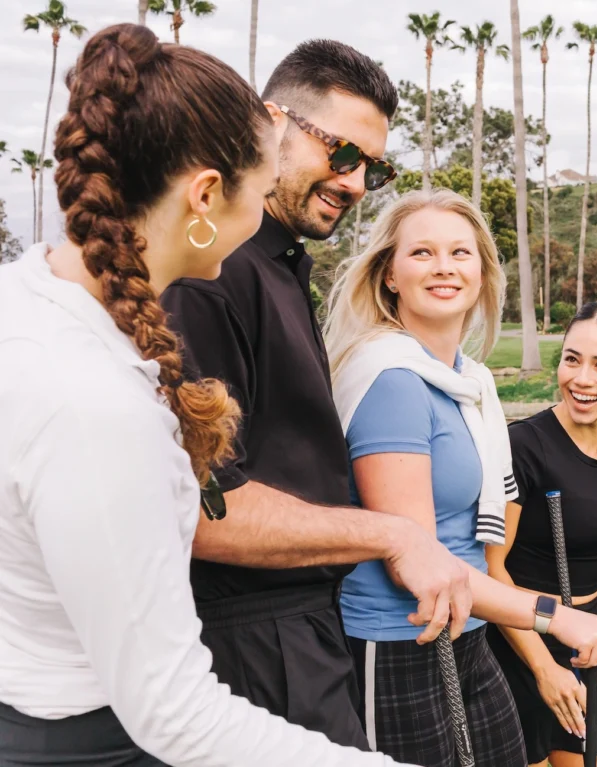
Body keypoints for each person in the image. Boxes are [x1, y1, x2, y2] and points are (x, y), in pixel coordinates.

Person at [0, 24, 407, 766]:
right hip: (92, 740)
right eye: (259, 187)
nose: (259, 218)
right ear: (207, 195)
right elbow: (176, 714)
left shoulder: (31, 300)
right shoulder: (94, 405)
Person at [160, 41, 470, 750]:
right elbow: (205, 509)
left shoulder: (280, 265)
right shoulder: (213, 272)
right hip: (249, 641)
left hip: (303, 625)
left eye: (374, 168)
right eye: (342, 153)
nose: (356, 183)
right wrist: (394, 534)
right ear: (274, 122)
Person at [325, 190, 597, 766]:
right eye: (422, 252)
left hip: (469, 636)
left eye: (460, 252)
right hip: (398, 643)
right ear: (389, 274)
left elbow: (481, 551)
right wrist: (556, 616)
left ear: (482, 273)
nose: (444, 266)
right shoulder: (392, 381)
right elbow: (420, 566)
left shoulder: (471, 383)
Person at [485, 300, 597, 767]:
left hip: (587, 641)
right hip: (517, 641)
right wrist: (544, 668)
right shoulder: (523, 446)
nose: (582, 379)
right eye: (572, 359)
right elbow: (491, 568)